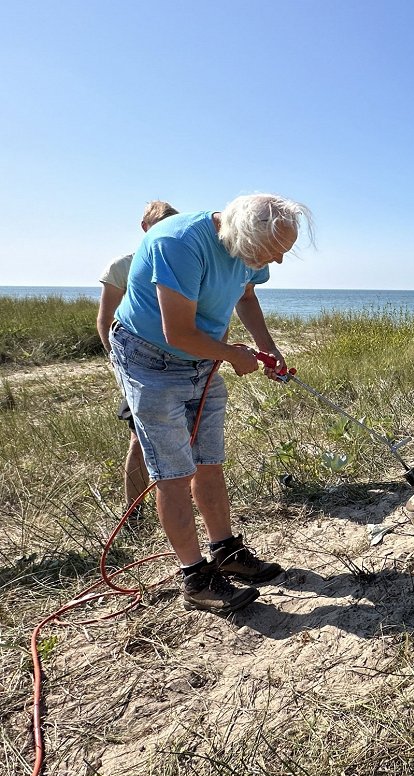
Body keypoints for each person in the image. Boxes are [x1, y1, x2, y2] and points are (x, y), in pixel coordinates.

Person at [108, 193, 312, 613]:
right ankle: (195, 577)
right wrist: (233, 355)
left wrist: (268, 350)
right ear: (240, 235)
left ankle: (226, 552)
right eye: (272, 252)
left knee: (208, 461)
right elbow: (177, 333)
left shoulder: (248, 251)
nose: (275, 263)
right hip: (150, 359)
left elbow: (247, 298)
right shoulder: (178, 243)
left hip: (202, 359)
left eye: (282, 252)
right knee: (173, 472)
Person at [97, 200, 180, 520]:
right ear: (145, 228)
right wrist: (121, 365)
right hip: (137, 366)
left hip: (182, 365)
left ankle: (179, 507)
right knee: (139, 440)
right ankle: (133, 513)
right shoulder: (122, 267)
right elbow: (105, 320)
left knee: (185, 440)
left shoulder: (183, 264)